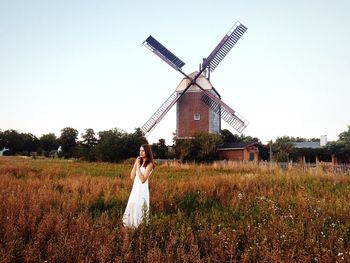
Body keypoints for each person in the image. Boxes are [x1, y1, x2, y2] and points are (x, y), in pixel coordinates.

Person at [122, 144, 155, 228]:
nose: (141, 152)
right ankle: (131, 227)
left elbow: (143, 179)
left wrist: (137, 168)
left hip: (142, 190)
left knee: (140, 207)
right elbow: (132, 177)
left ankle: (139, 228)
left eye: (143, 151)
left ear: (147, 152)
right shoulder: (139, 162)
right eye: (140, 150)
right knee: (132, 205)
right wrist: (135, 164)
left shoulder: (150, 164)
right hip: (135, 188)